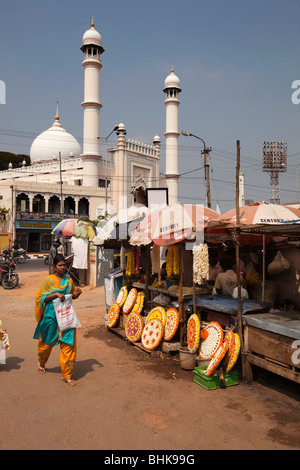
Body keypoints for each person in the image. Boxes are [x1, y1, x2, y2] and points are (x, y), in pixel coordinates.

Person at [33, 254, 82, 386]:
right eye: (59, 265)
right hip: (51, 316)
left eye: (64, 265)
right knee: (46, 343)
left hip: (66, 316)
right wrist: (54, 294)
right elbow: (40, 298)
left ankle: (67, 375)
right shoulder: (48, 281)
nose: (62, 267)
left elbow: (71, 296)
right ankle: (42, 363)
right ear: (54, 267)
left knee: (68, 344)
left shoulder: (69, 280)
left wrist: (76, 294)